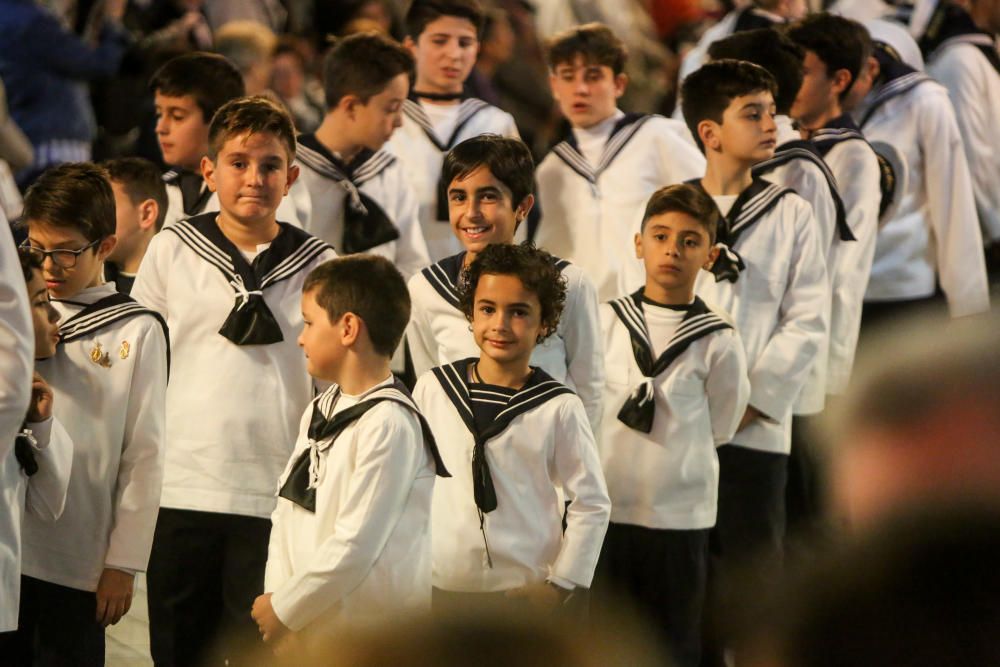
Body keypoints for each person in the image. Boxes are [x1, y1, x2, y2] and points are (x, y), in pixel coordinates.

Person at [132, 96, 336, 666]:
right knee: (176, 648)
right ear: (209, 171)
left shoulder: (321, 262)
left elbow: (332, 384)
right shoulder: (172, 248)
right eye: (239, 163)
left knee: (258, 653)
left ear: (291, 176)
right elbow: (145, 372)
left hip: (274, 489)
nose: (254, 178)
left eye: (270, 165)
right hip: (181, 484)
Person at [679, 60, 828, 653]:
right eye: (754, 113)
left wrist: (751, 400)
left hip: (755, 427)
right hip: (682, 423)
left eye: (773, 111)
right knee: (690, 572)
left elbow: (808, 318)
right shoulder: (671, 214)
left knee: (753, 573)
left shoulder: (791, 211)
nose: (773, 124)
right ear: (710, 133)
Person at [253, 255, 449, 651]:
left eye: (308, 323)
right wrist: (279, 597)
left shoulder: (390, 423)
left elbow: (356, 543)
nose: (301, 338)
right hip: (308, 626)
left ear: (347, 328)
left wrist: (288, 609)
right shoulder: (320, 408)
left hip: (369, 637)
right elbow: (287, 509)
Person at [17, 163, 168, 665]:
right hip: (11, 543)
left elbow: (142, 454)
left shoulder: (136, 329)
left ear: (104, 245)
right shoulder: (16, 311)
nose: (49, 266)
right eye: (37, 250)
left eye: (66, 252)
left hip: (78, 557)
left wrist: (123, 563)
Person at [593, 184, 749, 667]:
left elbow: (723, 423)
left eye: (689, 240)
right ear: (639, 244)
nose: (672, 250)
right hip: (608, 509)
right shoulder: (604, 321)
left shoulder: (718, 338)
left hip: (679, 515)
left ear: (709, 255)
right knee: (604, 639)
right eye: (660, 237)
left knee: (674, 639)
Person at [412, 243, 610, 613]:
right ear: (470, 313)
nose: (500, 325)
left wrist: (561, 583)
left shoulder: (560, 406)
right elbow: (409, 481)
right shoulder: (432, 387)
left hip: (522, 592)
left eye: (518, 312)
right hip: (438, 585)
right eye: (487, 309)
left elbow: (591, 503)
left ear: (546, 323)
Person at [407, 135, 604, 431]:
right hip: (459, 469)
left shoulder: (569, 283)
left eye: (488, 197)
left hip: (543, 468)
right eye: (459, 197)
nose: (471, 213)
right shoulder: (426, 289)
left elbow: (590, 392)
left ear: (522, 207)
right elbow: (429, 393)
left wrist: (570, 470)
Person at [533, 22, 705, 302]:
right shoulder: (553, 169)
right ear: (554, 85)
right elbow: (553, 252)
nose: (581, 89)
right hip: (589, 317)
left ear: (619, 83)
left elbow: (705, 209)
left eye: (593, 76)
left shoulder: (656, 136)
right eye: (568, 76)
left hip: (655, 304)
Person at [847, 21, 989, 321]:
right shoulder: (821, 106)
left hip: (904, 287)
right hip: (842, 291)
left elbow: (953, 206)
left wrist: (969, 306)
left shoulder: (924, 102)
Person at [786, 14, 881, 395]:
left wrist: (828, 371)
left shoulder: (853, 157)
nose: (790, 82)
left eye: (803, 73)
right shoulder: (777, 138)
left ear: (839, 80)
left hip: (813, 347)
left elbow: (844, 271)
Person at [386, 0, 519, 262]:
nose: (454, 54)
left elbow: (517, 218)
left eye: (465, 43)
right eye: (439, 41)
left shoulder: (496, 123)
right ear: (411, 47)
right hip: (403, 280)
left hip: (481, 281)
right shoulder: (389, 122)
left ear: (477, 49)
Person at [295, 32, 430, 280]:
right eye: (391, 108)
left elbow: (412, 265)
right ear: (351, 106)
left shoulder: (390, 171)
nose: (400, 121)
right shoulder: (292, 171)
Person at [0, 249, 73, 650]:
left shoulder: (26, 399)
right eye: (43, 304)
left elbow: (48, 505)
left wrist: (41, 425)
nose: (56, 317)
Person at [150, 51, 310, 229]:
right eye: (159, 114)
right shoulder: (155, 192)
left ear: (218, 120)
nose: (161, 128)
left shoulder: (262, 192)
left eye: (177, 116)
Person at [0, 0, 130, 187]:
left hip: (31, 138)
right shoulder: (31, 22)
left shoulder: (14, 15)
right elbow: (97, 64)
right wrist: (112, 19)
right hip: (53, 150)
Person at [917, 0, 1000, 270]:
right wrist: (997, 230)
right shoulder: (959, 60)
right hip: (988, 241)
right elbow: (972, 158)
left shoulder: (982, 52)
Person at [673, 0, 808, 116]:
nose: (805, 9)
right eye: (802, 1)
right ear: (785, 4)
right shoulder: (774, 39)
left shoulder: (735, 20)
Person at [103, 157, 169, 295]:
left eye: (106, 206)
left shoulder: (177, 292)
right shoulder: (86, 286)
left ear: (146, 214)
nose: (92, 218)